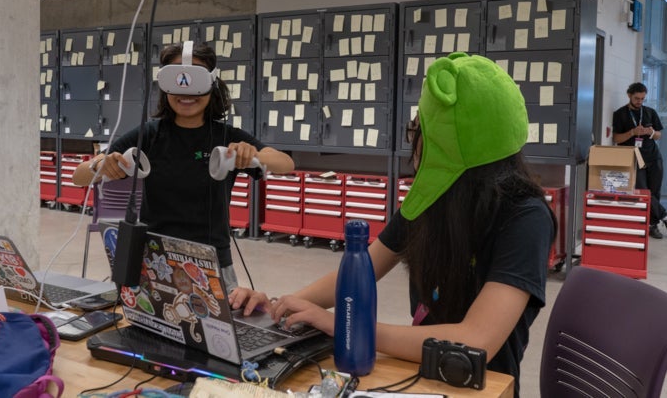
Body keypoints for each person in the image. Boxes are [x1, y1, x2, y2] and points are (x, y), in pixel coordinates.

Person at [230, 53, 556, 398]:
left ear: (446, 144)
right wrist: (280, 307)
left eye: (418, 130)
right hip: (417, 372)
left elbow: (478, 339)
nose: (413, 142)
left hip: (480, 385)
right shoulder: (431, 197)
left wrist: (349, 328)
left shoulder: (525, 217)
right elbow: (362, 269)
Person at [72, 42, 294, 291]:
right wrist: (101, 164)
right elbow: (78, 177)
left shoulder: (226, 137)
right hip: (155, 257)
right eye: (177, 80)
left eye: (195, 80)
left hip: (211, 261)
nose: (186, 91)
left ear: (212, 85)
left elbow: (285, 163)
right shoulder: (150, 135)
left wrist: (254, 155)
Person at [612, 82, 666, 239]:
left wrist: (651, 132)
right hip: (635, 159)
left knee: (654, 192)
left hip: (654, 157)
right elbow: (616, 138)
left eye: (642, 98)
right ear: (629, 95)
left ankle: (653, 225)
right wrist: (632, 132)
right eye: (637, 98)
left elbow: (659, 135)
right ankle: (664, 216)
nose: (640, 101)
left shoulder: (650, 112)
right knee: (644, 191)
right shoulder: (620, 114)